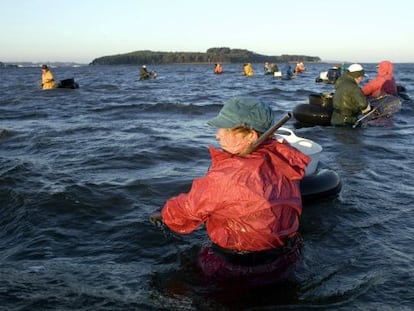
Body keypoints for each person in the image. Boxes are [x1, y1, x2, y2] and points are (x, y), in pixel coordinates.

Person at [150, 98, 311, 282]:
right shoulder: (283, 158)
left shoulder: (227, 176)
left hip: (237, 268)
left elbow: (186, 211)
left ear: (250, 136)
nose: (218, 135)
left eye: (225, 129)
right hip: (286, 260)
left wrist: (164, 212)